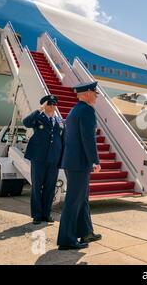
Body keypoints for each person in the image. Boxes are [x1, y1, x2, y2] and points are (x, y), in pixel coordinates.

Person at [57, 82, 102, 251]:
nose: (97, 96)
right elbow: (88, 139)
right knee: (74, 201)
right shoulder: (87, 111)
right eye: (95, 93)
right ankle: (66, 240)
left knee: (82, 200)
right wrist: (95, 161)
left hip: (72, 162)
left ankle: (86, 232)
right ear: (88, 93)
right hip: (79, 163)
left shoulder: (74, 110)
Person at [23, 95, 63, 225]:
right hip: (38, 157)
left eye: (54, 103)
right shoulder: (38, 117)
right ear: (45, 105)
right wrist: (39, 110)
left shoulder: (59, 121)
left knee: (50, 187)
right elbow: (26, 123)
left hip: (54, 158)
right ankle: (37, 215)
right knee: (37, 186)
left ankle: (47, 213)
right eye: (50, 103)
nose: (52, 106)